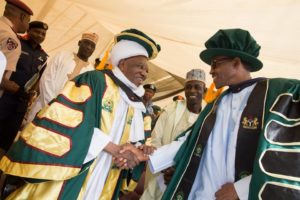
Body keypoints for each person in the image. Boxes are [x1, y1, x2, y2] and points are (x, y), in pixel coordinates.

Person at [0, 28, 161, 200]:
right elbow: (71, 124)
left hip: (108, 173)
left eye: (146, 70)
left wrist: (138, 151)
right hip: (78, 166)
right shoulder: (96, 81)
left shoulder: (137, 104)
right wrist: (115, 149)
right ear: (122, 64)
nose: (144, 73)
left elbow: (135, 141)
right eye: (140, 66)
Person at [148, 28, 300, 200]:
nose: (211, 71)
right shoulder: (216, 104)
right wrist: (147, 156)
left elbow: (287, 153)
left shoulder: (277, 94)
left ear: (236, 63)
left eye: (215, 63)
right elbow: (191, 141)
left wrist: (241, 189)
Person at [141, 69, 205, 200]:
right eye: (188, 87)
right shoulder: (171, 109)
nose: (192, 91)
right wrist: (165, 167)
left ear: (205, 90)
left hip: (186, 177)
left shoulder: (207, 118)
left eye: (197, 87)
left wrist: (180, 171)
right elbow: (155, 139)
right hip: (160, 173)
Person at [26, 32, 99, 123]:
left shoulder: (91, 71)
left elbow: (84, 96)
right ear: (79, 43)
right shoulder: (62, 55)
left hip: (65, 117)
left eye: (92, 46)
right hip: (43, 106)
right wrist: (52, 106)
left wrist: (65, 113)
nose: (89, 47)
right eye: (86, 43)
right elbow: (46, 80)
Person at [0, 21, 48, 155]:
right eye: (37, 32)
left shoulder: (43, 56)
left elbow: (39, 78)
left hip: (21, 103)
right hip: (5, 96)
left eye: (43, 34)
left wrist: (32, 94)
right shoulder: (16, 43)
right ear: (29, 30)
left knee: (7, 138)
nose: (40, 35)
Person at [0, 0, 33, 97]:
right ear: (22, 17)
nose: (27, 26)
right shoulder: (11, 39)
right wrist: (18, 90)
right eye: (28, 21)